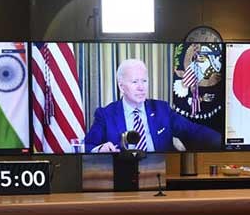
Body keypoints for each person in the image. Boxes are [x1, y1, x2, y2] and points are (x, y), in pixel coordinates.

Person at [84, 58, 221, 152]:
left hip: (160, 173)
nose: (141, 87)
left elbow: (193, 131)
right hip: (121, 176)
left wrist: (225, 142)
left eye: (144, 81)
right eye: (134, 82)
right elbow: (87, 146)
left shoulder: (162, 110)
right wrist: (100, 149)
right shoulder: (106, 115)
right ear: (121, 86)